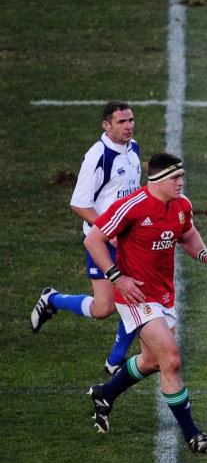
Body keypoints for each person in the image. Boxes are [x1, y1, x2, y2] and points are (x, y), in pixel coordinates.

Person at [83, 153, 207, 454]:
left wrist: (204, 254)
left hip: (163, 295)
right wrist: (117, 277)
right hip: (134, 295)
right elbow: (94, 239)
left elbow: (187, 234)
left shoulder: (181, 206)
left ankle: (104, 394)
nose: (181, 182)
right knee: (171, 359)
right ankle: (193, 436)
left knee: (150, 361)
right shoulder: (132, 206)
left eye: (182, 176)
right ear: (158, 180)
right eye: (176, 177)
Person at [30, 101, 141, 376]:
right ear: (106, 125)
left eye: (130, 120)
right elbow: (79, 204)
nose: (128, 126)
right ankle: (52, 299)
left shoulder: (133, 148)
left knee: (136, 296)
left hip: (128, 239)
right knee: (104, 307)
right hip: (101, 240)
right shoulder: (98, 156)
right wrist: (110, 229)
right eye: (121, 122)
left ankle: (115, 360)